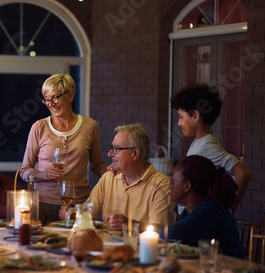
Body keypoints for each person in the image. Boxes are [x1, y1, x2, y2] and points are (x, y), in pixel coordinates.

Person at [20, 74, 108, 222]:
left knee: (78, 244)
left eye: (55, 97)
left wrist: (110, 171)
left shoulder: (90, 126)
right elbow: (24, 171)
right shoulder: (38, 127)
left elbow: (98, 165)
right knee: (44, 244)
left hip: (79, 204)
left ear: (70, 96)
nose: (51, 104)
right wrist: (44, 175)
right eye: (47, 99)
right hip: (43, 204)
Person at [170, 84, 252, 213]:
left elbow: (244, 173)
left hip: (197, 220)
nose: (179, 123)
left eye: (181, 117)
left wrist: (230, 209)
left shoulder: (208, 146)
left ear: (195, 116)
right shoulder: (202, 141)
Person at [76, 123, 172, 232]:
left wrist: (129, 225)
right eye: (111, 148)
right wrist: (72, 214)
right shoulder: (108, 178)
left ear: (135, 153)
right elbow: (86, 215)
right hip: (104, 246)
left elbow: (160, 231)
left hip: (140, 248)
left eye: (116, 149)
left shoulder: (161, 184)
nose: (109, 154)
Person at [158, 155, 244, 258]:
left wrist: (149, 233)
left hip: (228, 271)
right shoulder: (188, 211)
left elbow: (171, 234)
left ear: (187, 186)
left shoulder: (211, 211)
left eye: (172, 181)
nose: (169, 186)